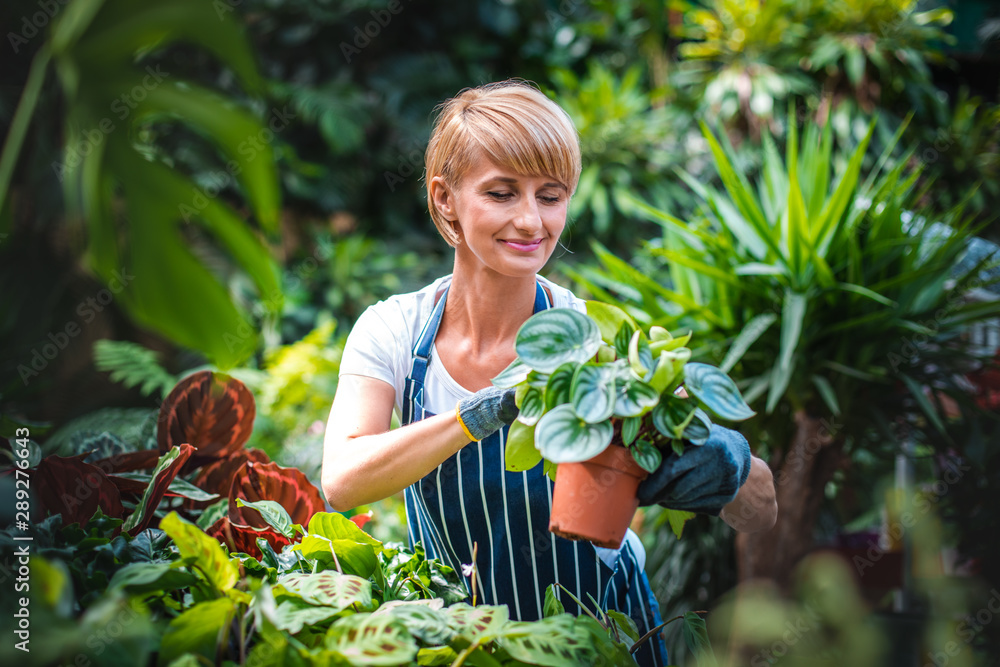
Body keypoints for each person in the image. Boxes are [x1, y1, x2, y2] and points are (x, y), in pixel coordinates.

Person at [322, 80, 777, 666]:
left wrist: (727, 467)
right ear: (444, 199)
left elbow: (762, 509)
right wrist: (482, 411)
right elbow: (343, 479)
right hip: (463, 644)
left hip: (602, 638)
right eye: (502, 193)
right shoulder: (394, 331)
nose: (531, 220)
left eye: (551, 195)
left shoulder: (595, 340)